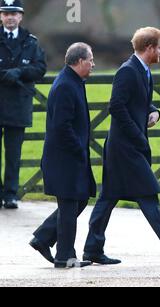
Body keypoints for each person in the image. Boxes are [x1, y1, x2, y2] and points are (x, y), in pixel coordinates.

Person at [82, 27, 160, 265]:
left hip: (128, 146)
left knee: (108, 198)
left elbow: (143, 102)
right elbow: (116, 106)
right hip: (124, 148)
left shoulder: (144, 71)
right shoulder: (127, 71)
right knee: (147, 194)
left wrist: (154, 111)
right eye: (159, 47)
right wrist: (137, 135)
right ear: (149, 48)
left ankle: (92, 249)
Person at [30, 43, 95, 268]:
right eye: (90, 60)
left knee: (79, 199)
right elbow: (61, 126)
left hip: (69, 157)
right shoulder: (66, 85)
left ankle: (43, 237)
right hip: (64, 158)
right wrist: (78, 148)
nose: (93, 64)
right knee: (69, 204)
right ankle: (64, 256)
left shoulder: (73, 81)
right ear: (79, 61)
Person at [0, 0, 46, 209]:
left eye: (14, 13)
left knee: (14, 155)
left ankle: (10, 195)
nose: (10, 17)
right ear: (1, 16)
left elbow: (40, 68)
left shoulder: (31, 42)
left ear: (21, 16)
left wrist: (20, 72)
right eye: (6, 13)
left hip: (18, 106)